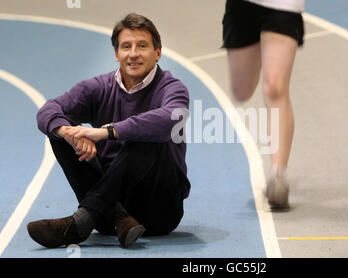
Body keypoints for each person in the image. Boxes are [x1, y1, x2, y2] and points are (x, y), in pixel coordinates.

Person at [27, 13, 191, 248]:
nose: (133, 53)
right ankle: (119, 217)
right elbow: (49, 109)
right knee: (61, 132)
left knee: (148, 135)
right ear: (116, 54)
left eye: (142, 46)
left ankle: (80, 223)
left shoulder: (173, 88)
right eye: (126, 46)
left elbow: (169, 119)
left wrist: (107, 132)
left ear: (158, 52)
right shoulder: (99, 87)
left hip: (159, 211)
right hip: (107, 213)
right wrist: (68, 133)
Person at [222, 0, 305, 209]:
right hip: (243, 6)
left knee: (275, 87)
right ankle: (260, 46)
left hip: (284, 6)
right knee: (242, 91)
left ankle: (278, 174)